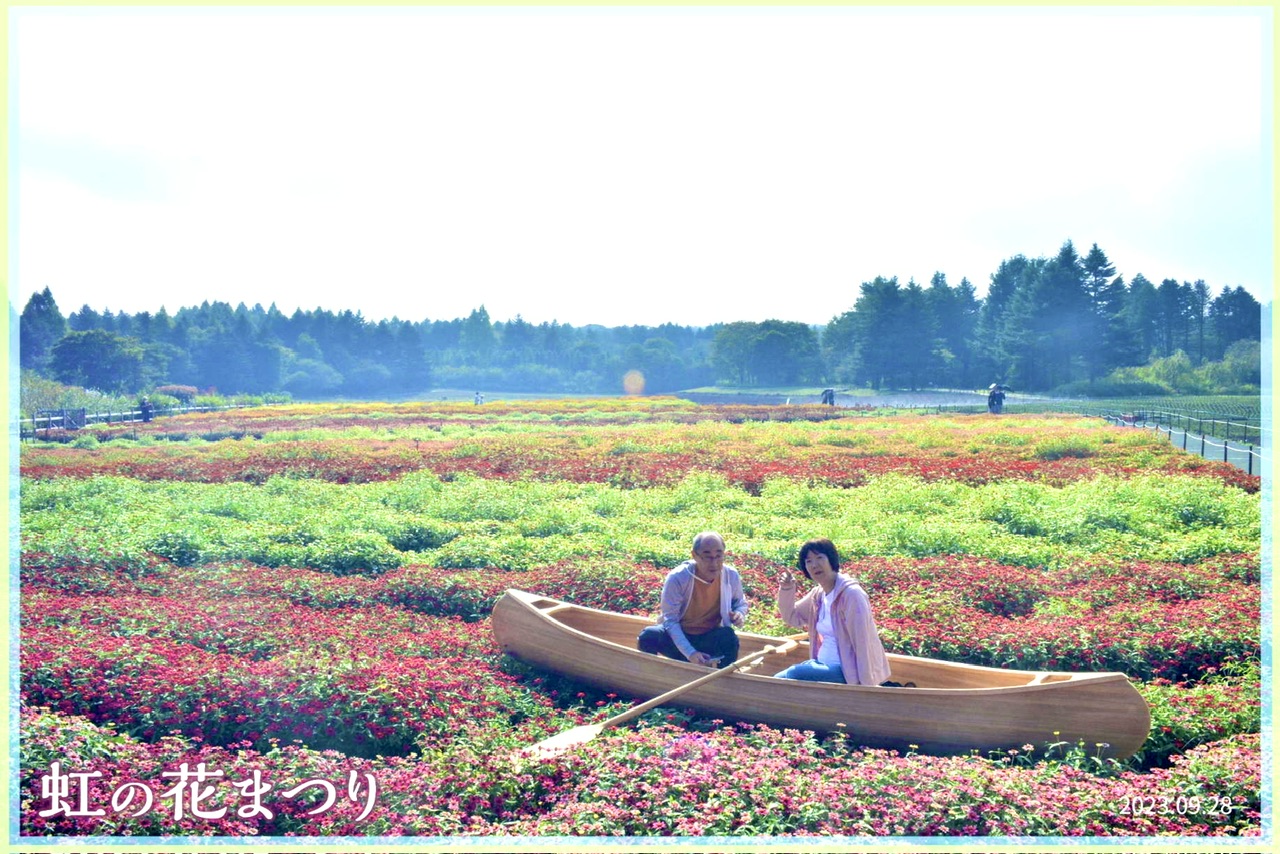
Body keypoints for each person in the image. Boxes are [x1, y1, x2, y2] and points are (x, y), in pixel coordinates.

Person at [775, 538, 891, 685]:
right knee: (776, 679)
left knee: (794, 673)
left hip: (847, 672)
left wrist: (866, 686)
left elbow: (863, 641)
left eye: (819, 558)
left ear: (831, 560)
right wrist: (786, 588)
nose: (814, 565)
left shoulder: (851, 595)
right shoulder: (818, 594)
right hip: (821, 666)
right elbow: (792, 617)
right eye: (808, 561)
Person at [637, 531, 748, 668]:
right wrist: (690, 653)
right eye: (707, 557)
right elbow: (670, 621)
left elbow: (740, 603)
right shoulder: (678, 577)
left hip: (708, 638)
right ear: (694, 555)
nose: (714, 563)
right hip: (678, 637)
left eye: (718, 556)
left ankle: (722, 680)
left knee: (729, 636)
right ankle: (654, 675)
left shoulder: (731, 575)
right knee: (648, 636)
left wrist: (739, 614)